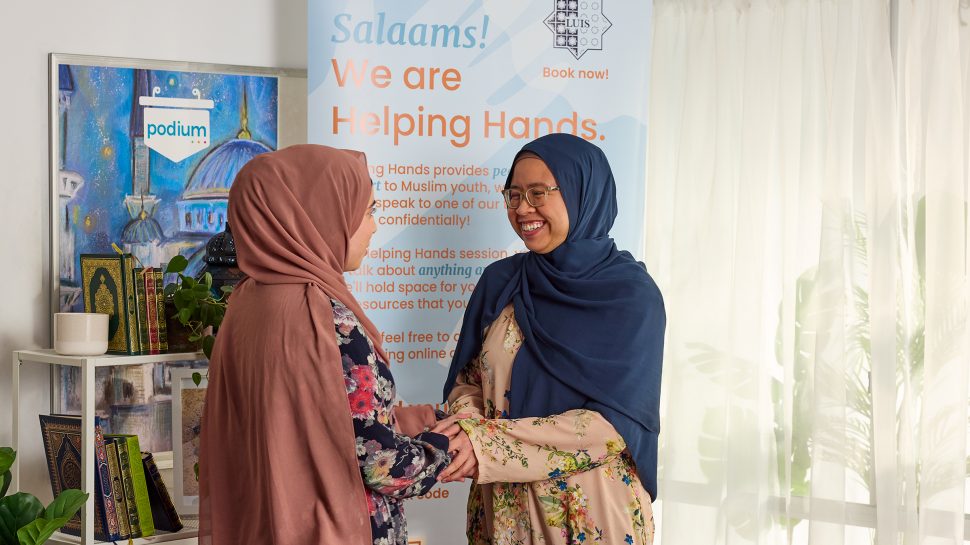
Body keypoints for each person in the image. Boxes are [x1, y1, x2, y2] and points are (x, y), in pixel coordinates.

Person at [199, 144, 463, 545]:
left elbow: (314, 421)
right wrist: (445, 443)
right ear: (319, 214)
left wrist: (411, 420)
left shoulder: (245, 301)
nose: (374, 226)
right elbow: (382, 465)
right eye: (368, 210)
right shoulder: (325, 318)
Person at [441, 133, 666, 545]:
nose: (522, 208)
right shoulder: (502, 281)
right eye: (513, 194)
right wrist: (469, 428)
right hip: (500, 510)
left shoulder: (630, 296)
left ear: (584, 193)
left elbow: (612, 425)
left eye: (538, 192)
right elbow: (467, 380)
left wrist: (487, 446)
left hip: (587, 514)